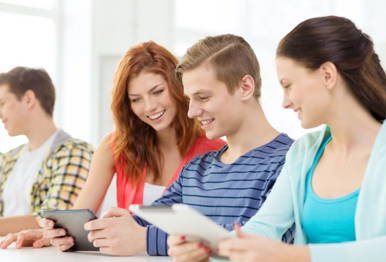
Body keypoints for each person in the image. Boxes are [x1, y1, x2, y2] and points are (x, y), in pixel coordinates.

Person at [33, 34, 294, 257]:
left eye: (202, 97)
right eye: (190, 99)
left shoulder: (291, 161)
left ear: (245, 87)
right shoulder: (195, 170)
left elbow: (264, 240)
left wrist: (146, 240)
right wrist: (88, 232)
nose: (191, 112)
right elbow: (143, 221)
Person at [211, 16, 386, 262]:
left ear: (327, 75)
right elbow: (263, 227)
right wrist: (210, 251)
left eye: (288, 85)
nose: (285, 102)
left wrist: (295, 260)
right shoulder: (304, 152)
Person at [0, 41, 224, 249]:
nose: (149, 106)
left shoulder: (215, 151)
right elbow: (77, 219)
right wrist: (46, 235)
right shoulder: (115, 146)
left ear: (178, 87)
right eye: (136, 99)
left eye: (157, 92)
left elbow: (213, 231)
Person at [0, 67, 94, 236]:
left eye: (2, 103)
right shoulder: (8, 159)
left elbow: (55, 220)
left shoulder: (74, 152)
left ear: (29, 99)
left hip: (43, 258)